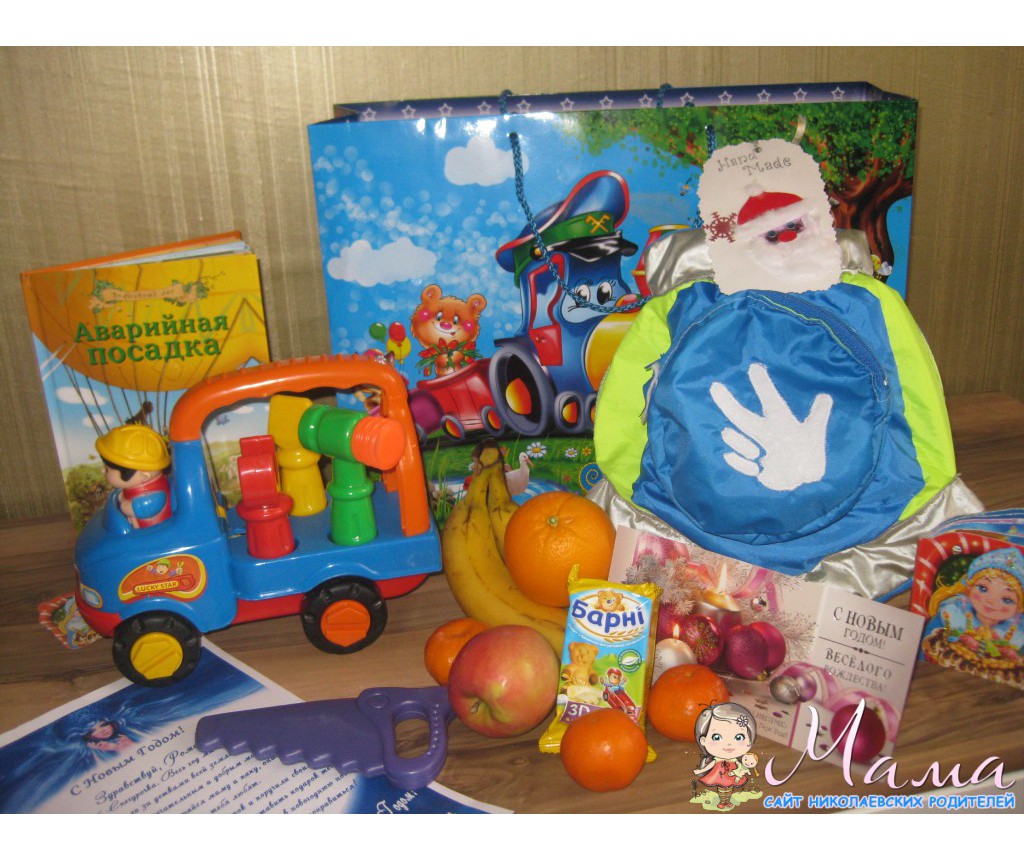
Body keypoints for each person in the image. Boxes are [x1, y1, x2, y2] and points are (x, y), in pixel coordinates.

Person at [925, 547, 1024, 663]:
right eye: (983, 588)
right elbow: (925, 647)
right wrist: (960, 638)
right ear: (969, 588)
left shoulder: (1017, 633)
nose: (990, 601)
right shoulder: (952, 614)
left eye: (1007, 599)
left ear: (1019, 607)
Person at [95, 425, 171, 528]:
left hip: (152, 533)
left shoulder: (155, 496)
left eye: (108, 469)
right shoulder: (133, 486)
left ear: (144, 476)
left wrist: (126, 506)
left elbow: (147, 505)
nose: (103, 470)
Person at [693, 702, 760, 810]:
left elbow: (744, 765)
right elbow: (710, 766)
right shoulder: (717, 760)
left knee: (729, 788)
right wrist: (701, 771)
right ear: (704, 740)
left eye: (739, 737)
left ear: (750, 740)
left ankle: (727, 801)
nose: (729, 744)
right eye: (717, 737)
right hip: (718, 774)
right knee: (722, 788)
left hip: (731, 774)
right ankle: (722, 801)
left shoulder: (736, 761)